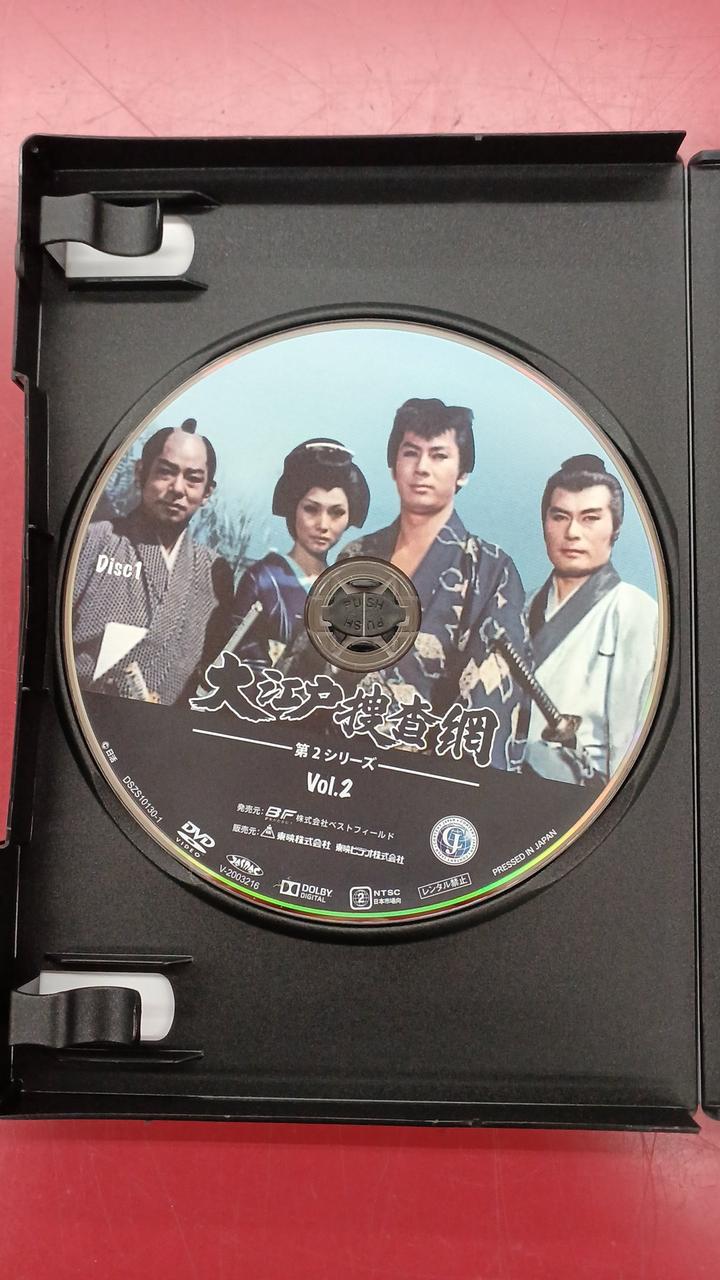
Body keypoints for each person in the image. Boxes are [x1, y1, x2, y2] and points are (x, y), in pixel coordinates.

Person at [341, 398, 530, 772]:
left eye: (439, 455)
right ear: (393, 465)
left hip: (423, 774)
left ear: (463, 473)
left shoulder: (490, 569)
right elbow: (319, 667)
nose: (422, 468)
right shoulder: (357, 555)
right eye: (411, 453)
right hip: (338, 757)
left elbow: (490, 700)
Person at [72, 420, 233, 704]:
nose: (178, 488)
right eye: (165, 472)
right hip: (81, 711)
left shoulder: (214, 573)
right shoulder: (94, 540)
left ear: (207, 492)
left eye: (193, 479)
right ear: (140, 472)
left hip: (162, 726)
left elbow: (212, 673)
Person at [525, 454, 659, 787]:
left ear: (615, 528)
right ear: (544, 523)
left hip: (584, 789)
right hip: (511, 780)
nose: (572, 532)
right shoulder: (522, 605)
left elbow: (628, 739)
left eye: (590, 519)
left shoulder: (634, 611)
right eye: (560, 517)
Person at [228, 439, 370, 669]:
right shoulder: (263, 580)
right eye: (311, 509)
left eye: (336, 513)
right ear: (293, 508)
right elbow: (241, 664)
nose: (323, 524)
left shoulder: (348, 591)